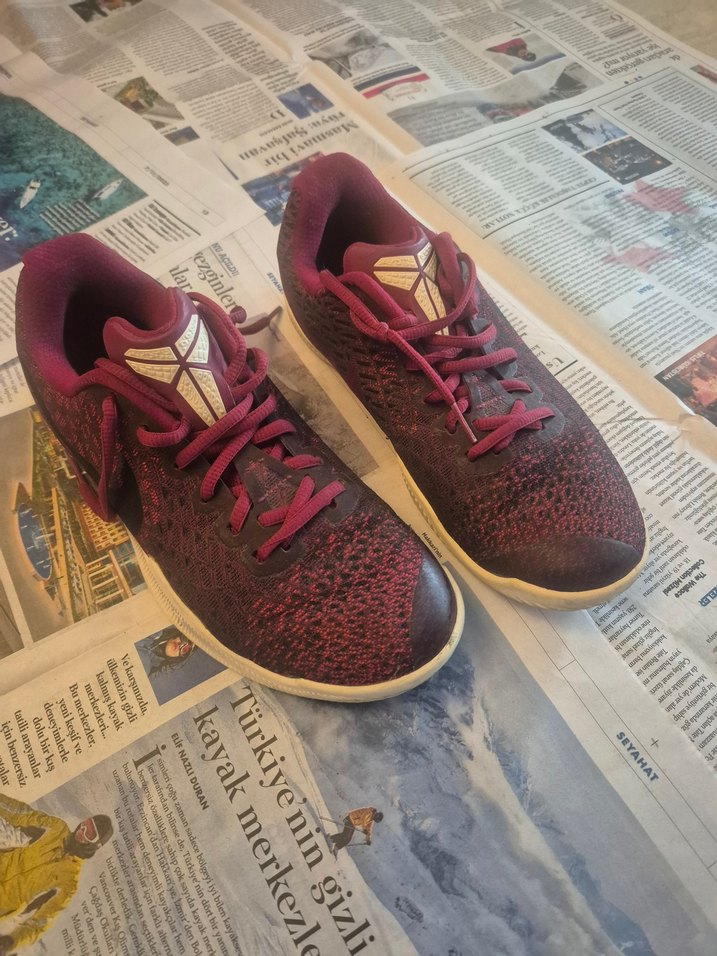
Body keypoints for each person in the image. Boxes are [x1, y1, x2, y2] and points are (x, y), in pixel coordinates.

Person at [0, 793, 112, 953]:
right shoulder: (57, 828)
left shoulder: (68, 882)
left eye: (89, 833)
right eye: (85, 824)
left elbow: (41, 921)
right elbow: (20, 813)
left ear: (95, 845)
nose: (81, 831)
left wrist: (11, 941)